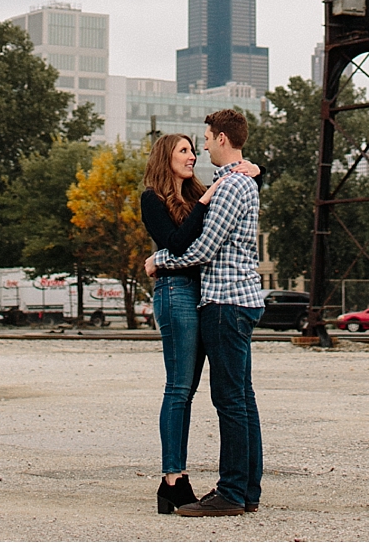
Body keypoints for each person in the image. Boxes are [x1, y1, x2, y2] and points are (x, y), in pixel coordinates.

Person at [150, 110, 264, 519]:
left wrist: (157, 262)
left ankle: (233, 492)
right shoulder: (234, 181)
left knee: (230, 400)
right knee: (241, 398)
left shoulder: (229, 184)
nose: (199, 149)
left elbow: (200, 250)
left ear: (220, 138)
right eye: (184, 148)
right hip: (233, 298)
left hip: (226, 301)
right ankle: (247, 489)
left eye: (202, 141)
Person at [141, 131, 209, 515]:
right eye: (184, 150)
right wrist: (202, 202)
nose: (193, 156)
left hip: (201, 293)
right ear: (166, 157)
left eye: (194, 150)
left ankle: (176, 480)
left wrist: (256, 168)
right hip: (175, 292)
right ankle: (172, 479)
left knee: (189, 390)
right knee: (179, 388)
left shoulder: (198, 193)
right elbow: (177, 243)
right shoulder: (152, 198)